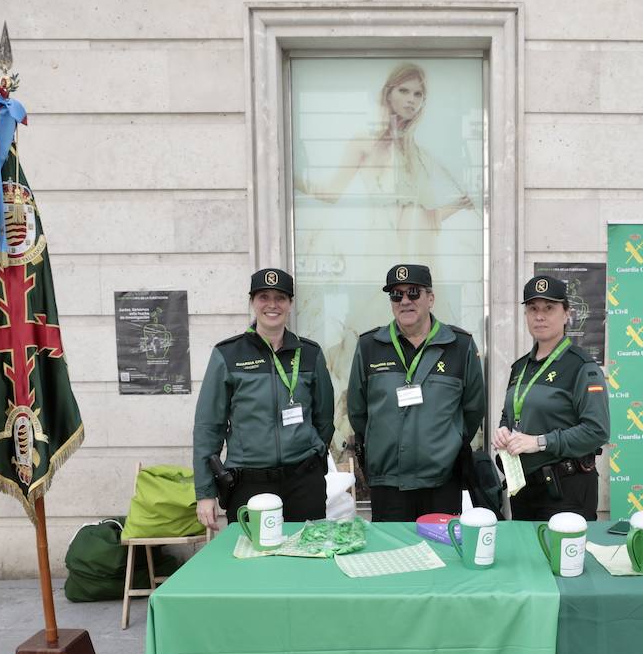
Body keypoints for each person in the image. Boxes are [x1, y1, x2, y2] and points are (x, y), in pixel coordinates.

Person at [193, 268, 334, 530]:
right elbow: (208, 427)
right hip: (249, 484)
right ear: (252, 302)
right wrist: (205, 492)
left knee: (306, 561)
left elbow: (324, 417)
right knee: (253, 564)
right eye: (263, 297)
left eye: (280, 297)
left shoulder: (310, 353)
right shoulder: (228, 354)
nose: (272, 305)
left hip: (303, 482)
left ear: (290, 304)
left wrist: (312, 451)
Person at [294, 62, 476, 264]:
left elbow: (425, 220)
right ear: (389, 94)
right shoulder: (365, 143)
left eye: (418, 94)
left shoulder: (421, 156)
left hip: (420, 253)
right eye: (404, 90)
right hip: (382, 251)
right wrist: (289, 178)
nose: (411, 100)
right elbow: (331, 194)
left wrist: (458, 205)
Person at [348, 263, 485, 521]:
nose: (405, 301)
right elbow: (358, 411)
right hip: (388, 482)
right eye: (396, 295)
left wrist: (448, 443)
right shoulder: (369, 346)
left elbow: (473, 409)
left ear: (430, 298)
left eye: (413, 292)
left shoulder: (459, 345)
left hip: (442, 481)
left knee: (442, 556)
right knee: (392, 559)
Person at [492, 275, 610, 520]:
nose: (540, 316)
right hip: (524, 488)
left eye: (549, 308)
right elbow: (511, 414)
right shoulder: (520, 367)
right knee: (525, 556)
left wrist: (540, 442)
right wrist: (503, 430)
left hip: (567, 490)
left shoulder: (582, 367)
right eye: (532, 309)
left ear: (567, 314)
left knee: (562, 558)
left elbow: (597, 431)